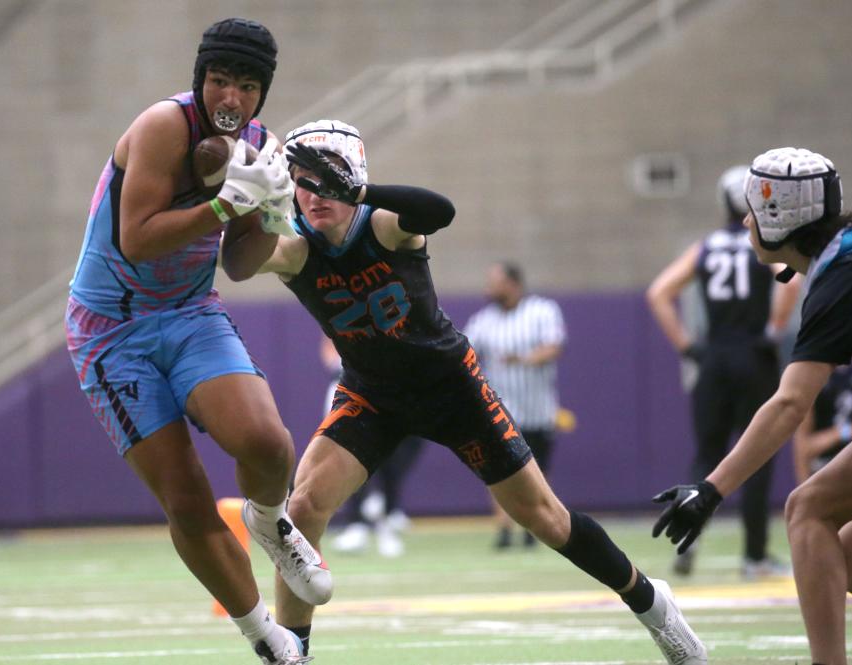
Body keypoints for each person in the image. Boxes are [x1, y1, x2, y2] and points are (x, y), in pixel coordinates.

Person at [222, 118, 707, 664]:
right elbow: (235, 265)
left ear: (354, 177)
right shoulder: (294, 247)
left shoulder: (382, 225)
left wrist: (354, 190)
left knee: (546, 519)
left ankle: (652, 605)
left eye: (326, 181)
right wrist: (241, 203)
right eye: (301, 182)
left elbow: (439, 211)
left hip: (451, 389)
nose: (314, 196)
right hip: (371, 395)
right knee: (303, 507)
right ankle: (296, 656)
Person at [64, 18, 328, 665]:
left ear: (262, 93)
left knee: (268, 443)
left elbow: (239, 265)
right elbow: (137, 238)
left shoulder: (260, 143)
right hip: (112, 332)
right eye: (218, 81)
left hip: (188, 311)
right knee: (184, 496)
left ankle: (269, 521)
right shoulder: (163, 127)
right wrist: (220, 205)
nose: (230, 98)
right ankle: (266, 636)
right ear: (199, 81)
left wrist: (268, 213)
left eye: (245, 85)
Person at [652, 147, 852, 665]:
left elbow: (789, 405)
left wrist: (712, 489)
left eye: (755, 209)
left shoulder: (847, 275)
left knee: (808, 508)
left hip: (722, 361)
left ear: (782, 220)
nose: (745, 220)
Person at [646, 165, 802, 578]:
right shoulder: (761, 242)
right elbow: (790, 282)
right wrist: (773, 330)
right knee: (757, 454)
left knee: (707, 455)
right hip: (754, 357)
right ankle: (753, 557)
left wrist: (686, 346)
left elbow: (659, 293)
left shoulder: (705, 247)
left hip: (713, 359)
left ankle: (686, 543)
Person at [464, 262, 566, 549]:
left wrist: (522, 359)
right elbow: (464, 350)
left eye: (494, 281)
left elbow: (554, 346)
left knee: (539, 470)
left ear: (512, 283)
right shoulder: (484, 320)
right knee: (498, 469)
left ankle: (537, 529)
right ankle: (504, 529)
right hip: (502, 409)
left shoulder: (542, 311)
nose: (488, 287)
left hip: (537, 408)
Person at [318, 336, 424, 557]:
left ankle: (386, 520)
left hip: (384, 390)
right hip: (347, 388)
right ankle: (359, 521)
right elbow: (328, 349)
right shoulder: (340, 318)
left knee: (388, 458)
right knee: (345, 456)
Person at [793, 355, 852, 483]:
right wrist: (801, 487)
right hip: (824, 468)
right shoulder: (811, 370)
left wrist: (842, 432)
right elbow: (803, 445)